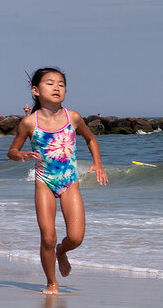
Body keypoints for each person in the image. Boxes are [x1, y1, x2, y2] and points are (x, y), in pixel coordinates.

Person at [7, 67, 108, 294]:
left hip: (69, 182)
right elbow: (12, 150)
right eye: (50, 83)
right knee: (48, 237)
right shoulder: (29, 123)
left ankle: (62, 252)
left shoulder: (73, 117)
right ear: (36, 90)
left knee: (76, 237)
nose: (56, 88)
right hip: (44, 182)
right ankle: (52, 282)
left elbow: (91, 139)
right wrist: (20, 154)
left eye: (61, 84)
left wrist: (97, 163)